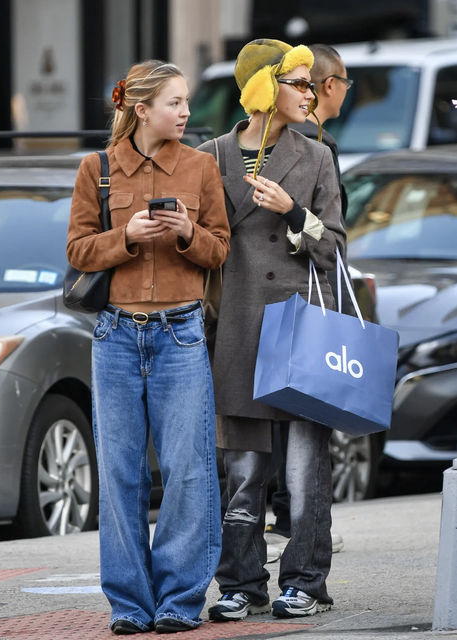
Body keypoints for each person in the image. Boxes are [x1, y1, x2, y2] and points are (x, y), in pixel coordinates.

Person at [66, 60, 230, 635]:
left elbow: (219, 252)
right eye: (175, 103)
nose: (186, 112)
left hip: (181, 334)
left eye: (186, 102)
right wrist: (126, 238)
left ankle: (180, 602)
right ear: (141, 110)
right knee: (120, 475)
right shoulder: (97, 170)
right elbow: (79, 252)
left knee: (187, 473)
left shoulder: (202, 167)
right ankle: (131, 606)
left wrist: (187, 233)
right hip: (114, 336)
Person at [198, 39, 346, 620]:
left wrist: (291, 210)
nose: (311, 94)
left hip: (302, 327)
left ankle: (307, 581)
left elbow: (332, 247)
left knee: (305, 471)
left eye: (313, 84)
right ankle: (241, 582)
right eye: (300, 83)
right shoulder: (210, 157)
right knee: (242, 472)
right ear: (265, 87)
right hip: (235, 328)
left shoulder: (315, 157)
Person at [268, 43, 353, 547]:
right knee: (301, 419)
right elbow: (331, 239)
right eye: (343, 82)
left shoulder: (280, 143)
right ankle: (293, 523)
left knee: (279, 422)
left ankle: (285, 523)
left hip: (274, 300)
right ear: (327, 85)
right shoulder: (319, 148)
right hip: (305, 298)